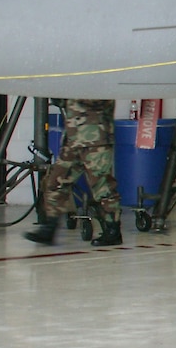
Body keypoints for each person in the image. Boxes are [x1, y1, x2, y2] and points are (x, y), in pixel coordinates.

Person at [25, 99, 122, 247]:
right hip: (73, 139)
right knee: (55, 181)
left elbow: (100, 100)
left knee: (102, 186)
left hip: (95, 138)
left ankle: (112, 231)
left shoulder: (95, 79)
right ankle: (49, 228)